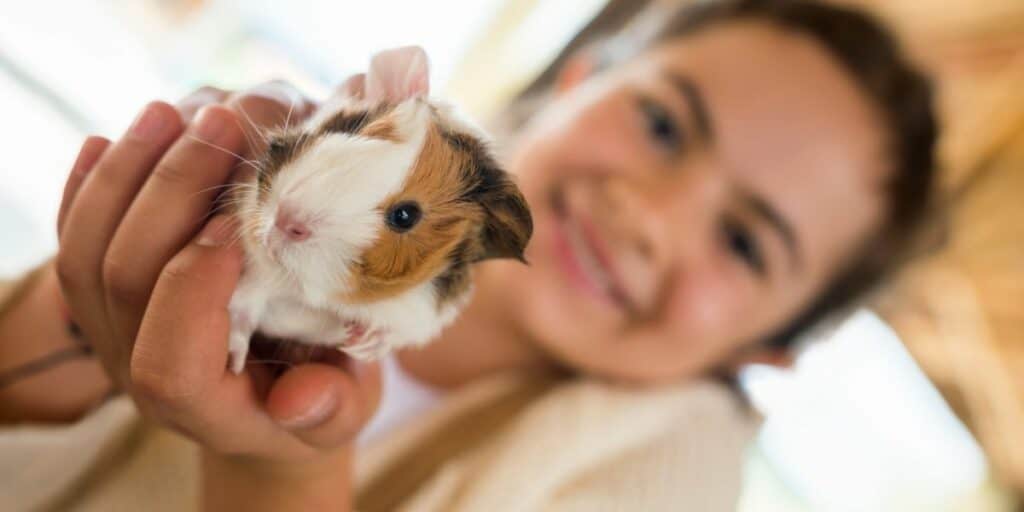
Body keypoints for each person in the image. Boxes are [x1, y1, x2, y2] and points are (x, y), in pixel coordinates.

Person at [0, 0, 937, 510]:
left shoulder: (664, 474)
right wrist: (79, 308)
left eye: (741, 241)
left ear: (767, 350)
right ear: (579, 78)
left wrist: (279, 472)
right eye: (660, 121)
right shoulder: (367, 131)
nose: (647, 215)